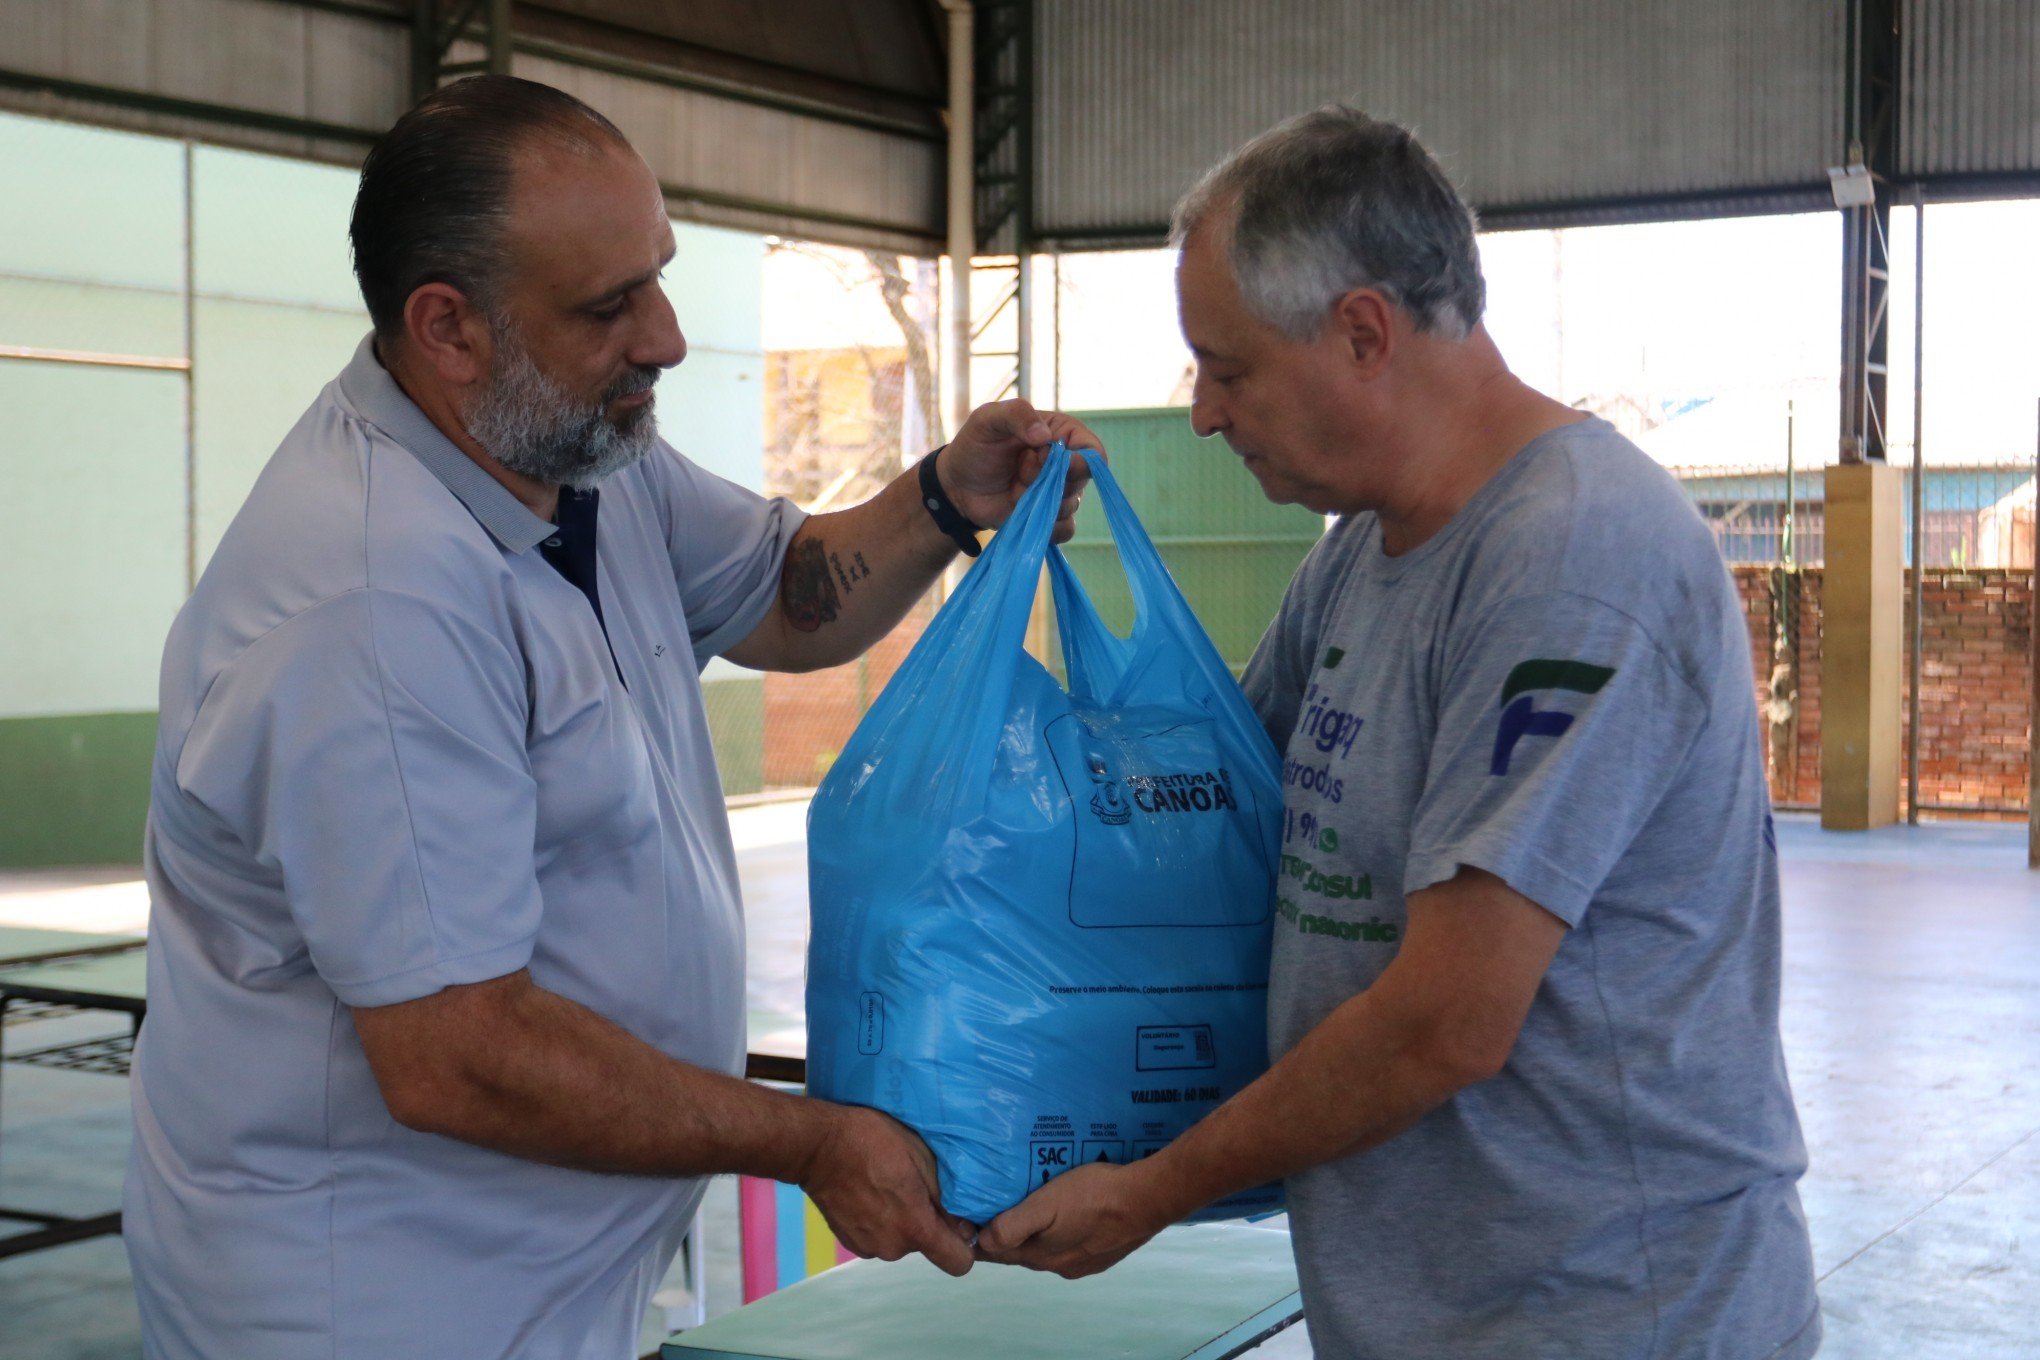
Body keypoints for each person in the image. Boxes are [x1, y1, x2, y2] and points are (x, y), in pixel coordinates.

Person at [127, 75, 1095, 1360]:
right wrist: (810, 1140)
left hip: (547, 1274)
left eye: (659, 274)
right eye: (608, 305)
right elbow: (458, 1054)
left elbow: (785, 596)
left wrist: (945, 498)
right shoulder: (367, 607)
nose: (669, 337)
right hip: (376, 1302)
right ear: (448, 328)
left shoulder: (576, 451)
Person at [978, 107, 1821, 1360]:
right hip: (1430, 1309)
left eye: (1229, 367)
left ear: (1364, 331)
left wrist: (1156, 1184)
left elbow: (1447, 1020)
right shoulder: (1364, 555)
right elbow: (1201, 811)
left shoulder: (1574, 559)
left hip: (1602, 1316)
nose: (1205, 414)